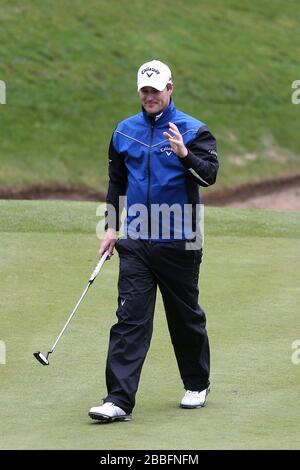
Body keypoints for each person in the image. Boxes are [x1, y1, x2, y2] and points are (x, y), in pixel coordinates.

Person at [89, 60, 219, 423]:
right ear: (139, 92)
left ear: (170, 88)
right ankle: (118, 399)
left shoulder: (193, 131)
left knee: (184, 317)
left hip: (180, 240)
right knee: (129, 319)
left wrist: (183, 154)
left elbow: (208, 177)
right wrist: (112, 228)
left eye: (156, 90)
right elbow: (117, 182)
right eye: (144, 91)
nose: (150, 97)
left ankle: (197, 382)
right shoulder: (123, 131)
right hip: (138, 241)